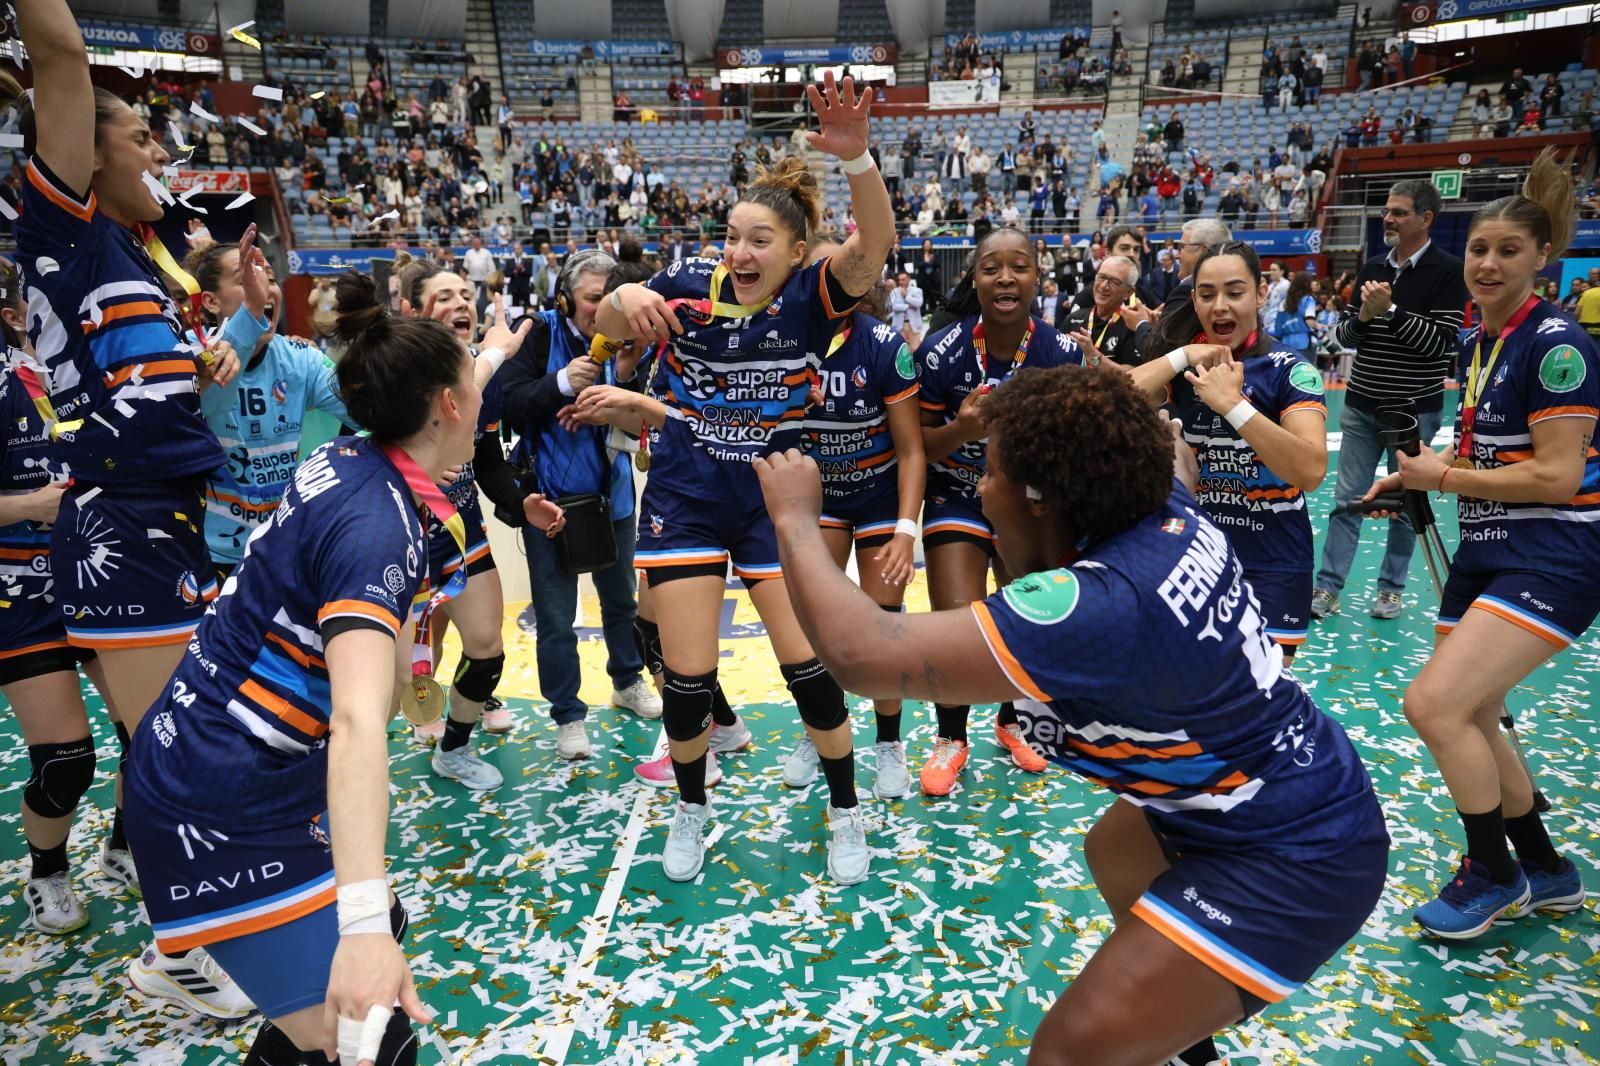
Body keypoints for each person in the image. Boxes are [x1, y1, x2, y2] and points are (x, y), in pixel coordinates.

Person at [752, 365, 1388, 1066]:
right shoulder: (1159, 507)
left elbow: (861, 655)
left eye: (990, 474)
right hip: (1276, 785)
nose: (979, 491)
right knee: (1113, 850)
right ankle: (1181, 1040)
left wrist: (794, 521)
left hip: (1300, 854)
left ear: (1042, 498)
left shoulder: (1095, 606)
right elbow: (1174, 452)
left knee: (1064, 1054)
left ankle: (1170, 1019)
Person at [123, 271, 560, 1066]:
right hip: (219, 800)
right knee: (369, 1039)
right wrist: (356, 927)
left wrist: (492, 351)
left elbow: (469, 378)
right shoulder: (375, 530)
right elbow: (361, 717)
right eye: (471, 379)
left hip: (243, 760)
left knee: (364, 957)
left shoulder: (364, 450)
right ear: (448, 408)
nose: (478, 385)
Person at [0, 9, 253, 1017]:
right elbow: (59, 49)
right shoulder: (61, 221)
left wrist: (205, 363)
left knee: (167, 735)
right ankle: (176, 950)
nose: (161, 150)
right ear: (80, 151)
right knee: (172, 745)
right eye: (140, 134)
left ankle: (169, 901)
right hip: (117, 524)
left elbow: (134, 381)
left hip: (157, 516)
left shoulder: (135, 254)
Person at [590, 73, 893, 886]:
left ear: (797, 253)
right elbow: (608, 324)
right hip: (687, 498)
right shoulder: (690, 285)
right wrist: (622, 295)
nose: (740, 252)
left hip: (773, 503)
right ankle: (691, 809)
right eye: (733, 235)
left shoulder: (813, 298)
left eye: (761, 240)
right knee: (687, 683)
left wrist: (858, 161)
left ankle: (846, 814)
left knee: (809, 672)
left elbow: (874, 247)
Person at [1364, 148, 1593, 939]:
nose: (1488, 264)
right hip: (1486, 548)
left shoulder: (1558, 345)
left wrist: (1445, 481)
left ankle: (1494, 873)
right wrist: (1415, 477)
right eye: (1480, 250)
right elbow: (1481, 456)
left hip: (1555, 553)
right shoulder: (1477, 340)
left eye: (1508, 251)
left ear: (1542, 257)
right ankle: (1547, 868)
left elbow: (1559, 477)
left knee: (1436, 705)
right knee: (1480, 713)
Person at [916, 227, 1084, 796]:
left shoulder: (1060, 354)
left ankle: (1012, 722)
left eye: (1019, 267)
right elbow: (916, 445)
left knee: (1022, 615)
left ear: (1038, 277)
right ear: (975, 278)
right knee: (957, 618)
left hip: (1025, 504)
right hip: (957, 491)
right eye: (992, 267)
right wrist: (961, 428)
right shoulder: (943, 348)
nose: (1006, 277)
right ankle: (950, 737)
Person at [0, 260, 132, 934]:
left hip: (99, 575)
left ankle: (125, 845)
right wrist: (30, 504)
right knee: (67, 761)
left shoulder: (73, 370)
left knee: (150, 732)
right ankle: (46, 873)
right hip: (19, 596)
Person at [497, 248, 663, 760]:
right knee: (555, 615)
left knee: (622, 604)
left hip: (613, 499)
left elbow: (646, 420)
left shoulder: (628, 340)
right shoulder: (540, 332)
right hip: (552, 504)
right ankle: (568, 714)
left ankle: (626, 679)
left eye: (612, 299)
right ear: (567, 299)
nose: (605, 311)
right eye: (595, 300)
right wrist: (562, 384)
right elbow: (508, 403)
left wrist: (626, 385)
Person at [1129, 242, 1329, 662]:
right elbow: (1109, 399)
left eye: (1235, 292)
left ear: (1260, 295)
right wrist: (1181, 355)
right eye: (1206, 295)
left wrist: (1233, 407)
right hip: (1193, 557)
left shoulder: (1290, 370)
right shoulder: (1187, 367)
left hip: (1272, 564)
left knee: (1259, 698)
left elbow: (1310, 469)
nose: (1219, 306)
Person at [1311, 179, 1469, 622]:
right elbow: (1341, 338)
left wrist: (1392, 313)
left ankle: (1391, 589)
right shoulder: (1372, 267)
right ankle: (1327, 589)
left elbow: (1441, 345)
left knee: (1407, 505)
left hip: (1413, 414)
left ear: (1425, 219)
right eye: (1387, 210)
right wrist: (1363, 315)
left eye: (1398, 211)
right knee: (1348, 500)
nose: (1388, 218)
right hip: (1361, 405)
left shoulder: (1449, 271)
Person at [392, 257, 524, 765]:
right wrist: (415, 470)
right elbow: (358, 449)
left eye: (465, 295)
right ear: (409, 309)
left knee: (487, 646)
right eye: (443, 296)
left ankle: (454, 749)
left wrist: (519, 504)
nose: (460, 304)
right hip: (401, 538)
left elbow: (489, 461)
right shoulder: (395, 369)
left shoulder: (480, 371)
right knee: (400, 672)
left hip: (464, 532)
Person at [188, 232, 352, 576]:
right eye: (246, 277)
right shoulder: (191, 353)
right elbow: (213, 399)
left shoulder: (301, 358)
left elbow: (364, 409)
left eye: (269, 277)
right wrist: (249, 315)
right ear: (211, 302)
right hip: (212, 553)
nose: (262, 286)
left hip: (282, 545)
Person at [1061, 254, 1141, 366]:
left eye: (1114, 282)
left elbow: (1132, 376)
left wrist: (1092, 355)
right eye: (1101, 277)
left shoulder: (1132, 326)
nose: (1104, 286)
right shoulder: (1073, 319)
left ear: (1129, 292)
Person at [1273, 271, 1319, 364]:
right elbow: (1310, 321)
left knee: (1288, 375)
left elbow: (1277, 329)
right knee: (1306, 375)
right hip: (1304, 343)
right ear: (1306, 284)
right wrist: (1319, 326)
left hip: (1285, 344)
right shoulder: (1308, 299)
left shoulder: (1284, 302)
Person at [888, 270, 925, 343]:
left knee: (915, 348)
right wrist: (908, 306)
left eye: (903, 279)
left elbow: (919, 303)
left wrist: (906, 296)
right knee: (901, 348)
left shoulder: (917, 290)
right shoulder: (894, 291)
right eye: (899, 280)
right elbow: (893, 306)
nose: (901, 282)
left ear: (909, 279)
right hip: (899, 326)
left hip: (913, 325)